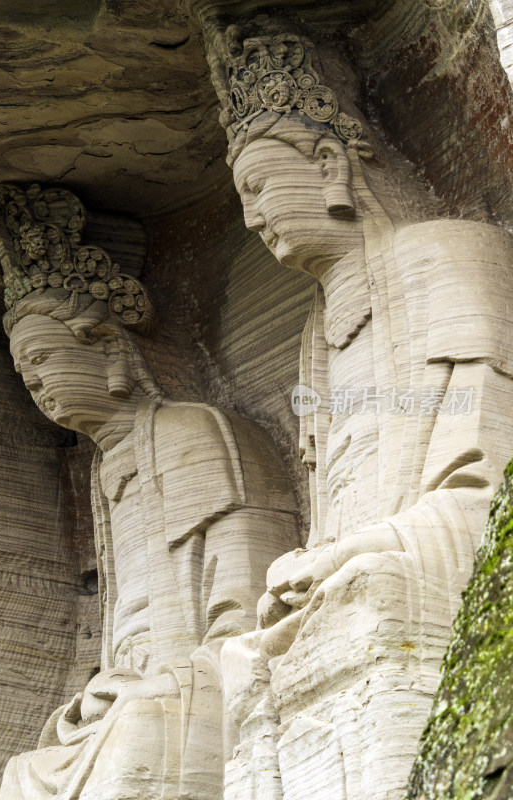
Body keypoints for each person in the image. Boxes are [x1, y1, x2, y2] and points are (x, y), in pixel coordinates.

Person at [206, 31, 513, 800]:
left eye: (261, 188)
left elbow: (482, 481)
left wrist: (363, 547)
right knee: (246, 657)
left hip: (441, 542)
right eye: (242, 200)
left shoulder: (445, 253)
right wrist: (313, 561)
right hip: (353, 559)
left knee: (368, 588)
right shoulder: (313, 339)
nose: (253, 218)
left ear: (329, 165)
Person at [0, 183, 300, 800]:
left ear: (102, 347)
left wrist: (173, 672)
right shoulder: (106, 474)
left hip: (196, 672)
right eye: (25, 373)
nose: (36, 385)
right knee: (23, 775)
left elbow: (242, 596)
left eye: (43, 360)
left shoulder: (193, 432)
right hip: (129, 685)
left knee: (138, 730)